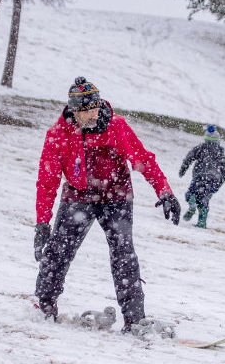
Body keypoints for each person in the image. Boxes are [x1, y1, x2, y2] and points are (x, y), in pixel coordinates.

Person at [33, 77, 181, 332]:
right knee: (58, 250)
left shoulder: (116, 127)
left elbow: (143, 160)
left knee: (123, 254)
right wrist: (42, 223)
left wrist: (164, 191)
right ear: (73, 111)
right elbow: (47, 181)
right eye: (85, 111)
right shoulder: (58, 135)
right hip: (78, 197)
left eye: (94, 108)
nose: (91, 115)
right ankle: (44, 305)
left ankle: (135, 318)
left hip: (116, 198)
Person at [179, 124, 225, 228]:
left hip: (200, 176)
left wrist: (183, 169)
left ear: (205, 139)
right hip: (214, 179)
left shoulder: (201, 148)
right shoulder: (220, 153)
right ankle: (202, 222)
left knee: (191, 193)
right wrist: (218, 184)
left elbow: (189, 158)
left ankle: (192, 204)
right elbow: (224, 171)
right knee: (204, 199)